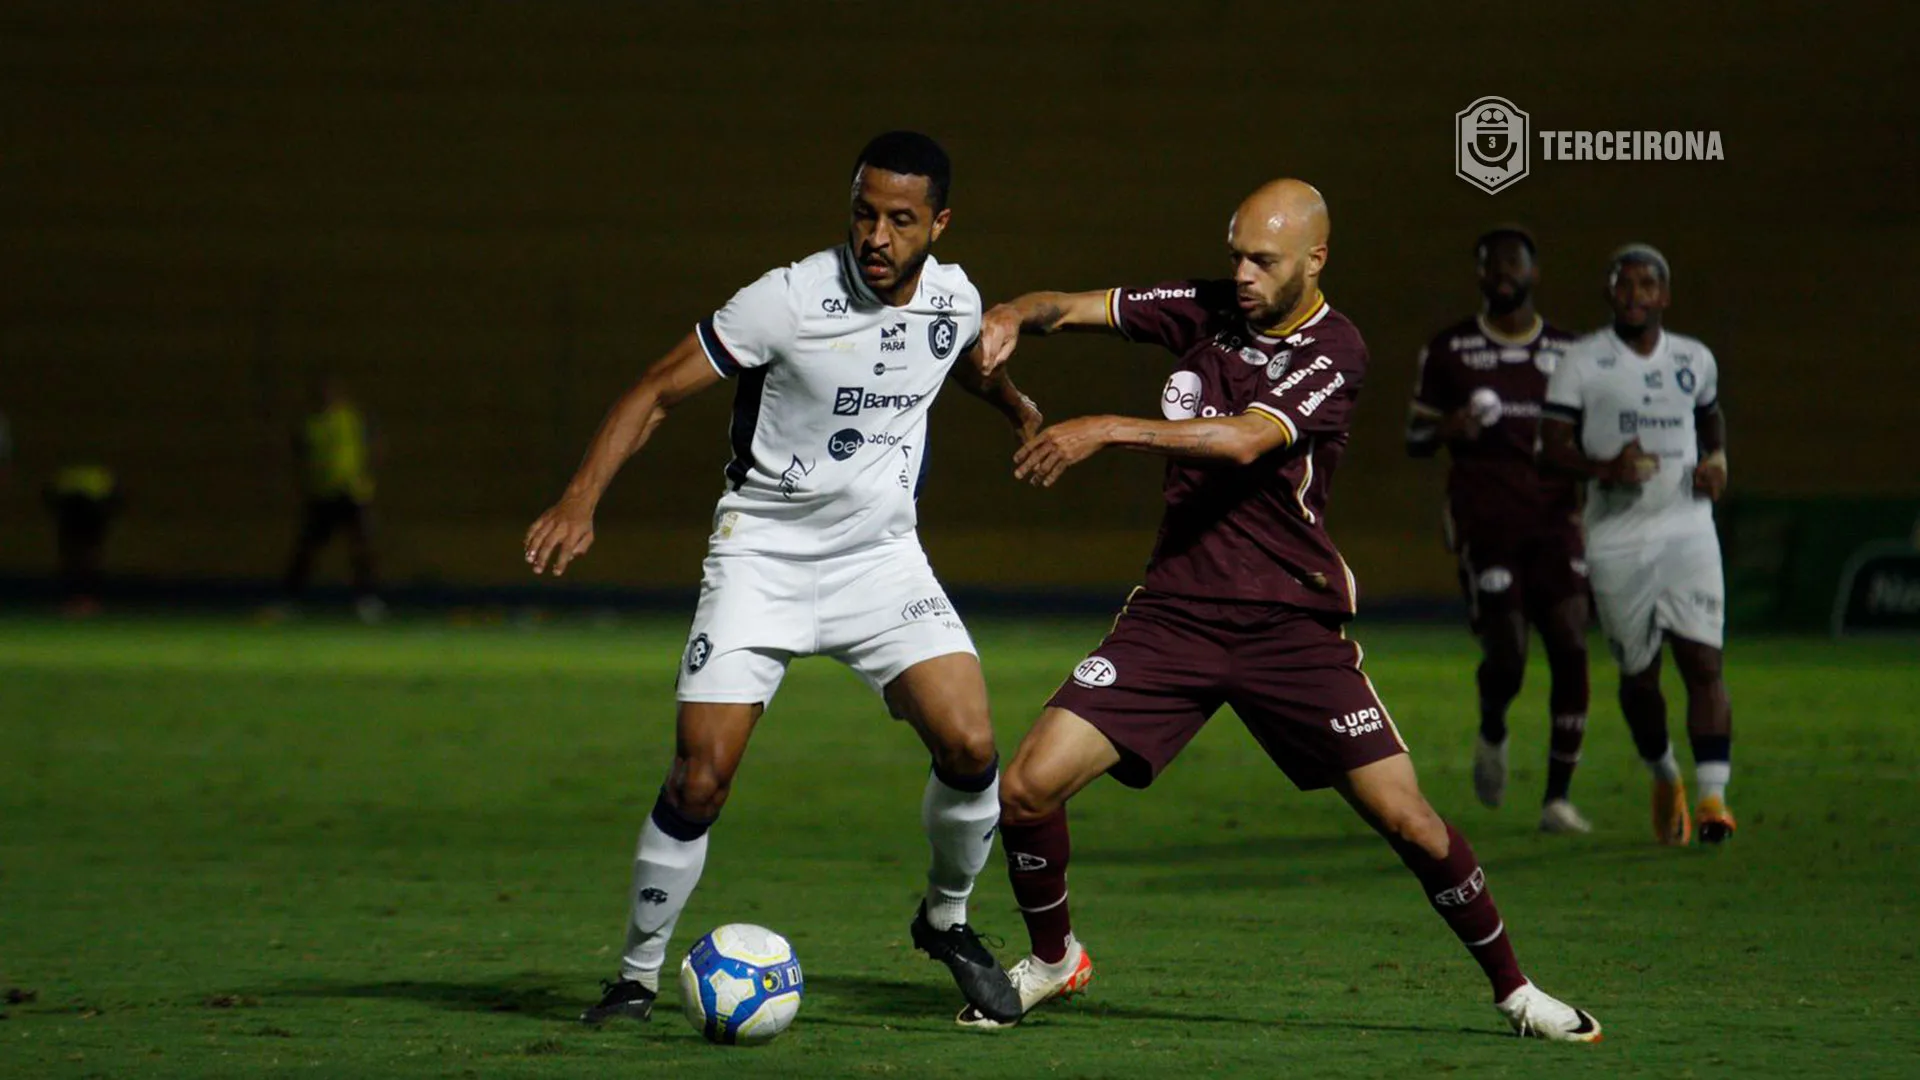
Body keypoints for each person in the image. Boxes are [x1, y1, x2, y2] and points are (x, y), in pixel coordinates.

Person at [968, 179, 1600, 1040]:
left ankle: (1517, 991)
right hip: (1176, 617)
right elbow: (1068, 307)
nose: (1242, 275)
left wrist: (1105, 428)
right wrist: (1010, 311)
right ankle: (1053, 961)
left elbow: (1242, 440)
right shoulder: (1208, 307)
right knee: (1027, 787)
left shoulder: (1337, 349)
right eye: (1235, 254)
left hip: (1288, 627)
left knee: (1408, 821)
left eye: (1263, 260)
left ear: (1315, 259)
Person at [523, 132, 1043, 1027]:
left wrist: (1019, 407)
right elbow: (654, 389)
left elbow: (955, 358)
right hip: (760, 555)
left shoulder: (955, 297)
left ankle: (946, 922)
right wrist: (580, 499)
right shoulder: (786, 299)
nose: (876, 236)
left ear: (939, 224)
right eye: (864, 213)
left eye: (900, 220)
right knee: (700, 777)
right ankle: (636, 977)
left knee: (972, 745)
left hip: (880, 560)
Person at [1540, 245, 1735, 846]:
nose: (1634, 294)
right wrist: (1604, 467)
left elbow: (1710, 415)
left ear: (1664, 296)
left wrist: (1718, 461)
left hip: (1687, 526)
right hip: (1616, 537)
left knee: (1703, 661)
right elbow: (1551, 446)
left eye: (1647, 285)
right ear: (1610, 293)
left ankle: (1712, 799)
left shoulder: (1694, 358)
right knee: (1639, 675)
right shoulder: (1581, 361)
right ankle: (1664, 774)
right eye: (1624, 284)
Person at [1406, 228, 1592, 832]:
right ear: (1480, 276)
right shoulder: (1450, 349)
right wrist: (1448, 429)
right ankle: (1492, 728)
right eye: (1491, 266)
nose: (1502, 275)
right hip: (1486, 521)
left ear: (1535, 273)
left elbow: (1592, 434)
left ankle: (1558, 799)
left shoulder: (1571, 351)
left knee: (1569, 641)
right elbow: (1415, 438)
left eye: (1513, 265)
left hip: (1556, 520)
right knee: (1509, 654)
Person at [283, 377, 384, 622]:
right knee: (307, 548)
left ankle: (366, 600)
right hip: (322, 494)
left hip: (352, 493)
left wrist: (368, 478)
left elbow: (374, 446)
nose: (327, 397)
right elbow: (300, 456)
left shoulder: (351, 419)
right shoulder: (310, 424)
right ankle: (290, 599)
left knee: (362, 547)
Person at [44, 464, 122, 616]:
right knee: (76, 563)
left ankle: (87, 601)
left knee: (87, 563)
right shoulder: (70, 487)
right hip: (75, 529)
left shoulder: (96, 485)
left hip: (88, 529)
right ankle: (75, 601)